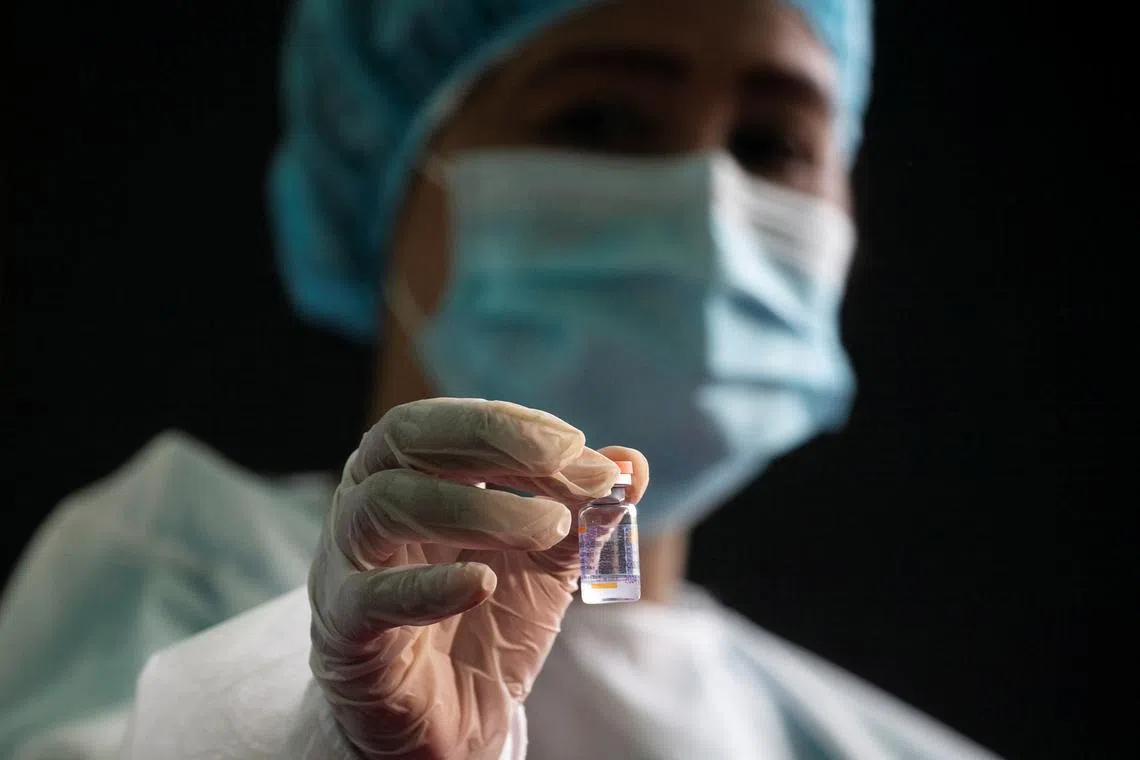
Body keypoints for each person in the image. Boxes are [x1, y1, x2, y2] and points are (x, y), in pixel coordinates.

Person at [0, 0, 1004, 758]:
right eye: (603, 119)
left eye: (774, 143)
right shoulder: (180, 568)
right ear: (392, 172)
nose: (706, 201)